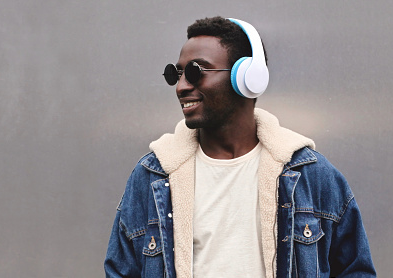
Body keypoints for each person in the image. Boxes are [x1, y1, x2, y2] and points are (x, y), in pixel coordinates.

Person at [104, 16, 375, 277]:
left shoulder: (312, 176)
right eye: (176, 74)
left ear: (248, 78)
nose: (181, 87)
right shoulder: (151, 177)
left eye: (195, 72)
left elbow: (355, 271)